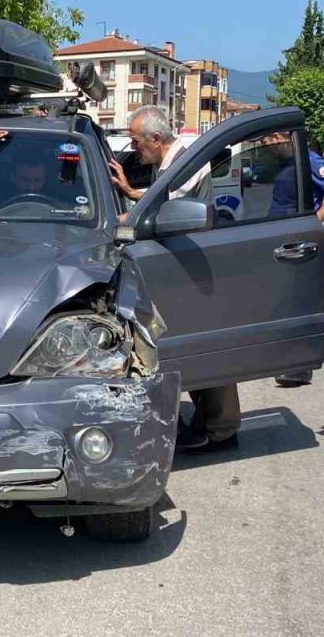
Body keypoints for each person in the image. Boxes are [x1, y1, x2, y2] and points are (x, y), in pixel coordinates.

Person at [108, 106, 225, 451]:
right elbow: (162, 196)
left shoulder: (185, 163)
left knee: (203, 344)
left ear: (156, 138)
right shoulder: (170, 162)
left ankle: (222, 428)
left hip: (194, 265)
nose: (133, 149)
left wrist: (131, 216)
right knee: (193, 344)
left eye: (136, 141)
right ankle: (208, 422)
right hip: (184, 262)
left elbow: (168, 208)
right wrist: (131, 191)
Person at [273, 135, 324, 387]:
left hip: (295, 240)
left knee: (296, 303)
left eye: (269, 138)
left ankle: (300, 367)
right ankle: (284, 357)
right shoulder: (286, 162)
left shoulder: (308, 160)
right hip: (279, 237)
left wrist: (313, 222)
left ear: (281, 137)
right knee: (282, 301)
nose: (266, 143)